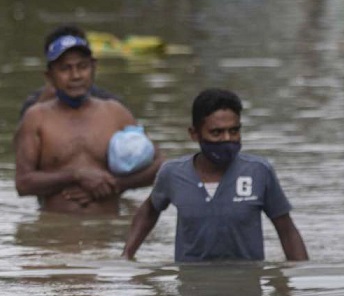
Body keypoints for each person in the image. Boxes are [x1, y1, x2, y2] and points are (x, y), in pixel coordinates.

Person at [122, 88, 309, 262]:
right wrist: (127, 255)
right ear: (194, 134)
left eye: (234, 131)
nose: (227, 139)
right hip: (192, 288)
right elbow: (149, 210)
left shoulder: (259, 172)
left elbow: (286, 229)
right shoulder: (173, 174)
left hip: (246, 287)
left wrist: (300, 281)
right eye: (217, 132)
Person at [14, 24, 163, 215]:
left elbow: (159, 163)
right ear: (49, 76)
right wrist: (76, 176)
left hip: (108, 233)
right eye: (65, 69)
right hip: (55, 235)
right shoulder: (36, 117)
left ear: (94, 68)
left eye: (82, 67)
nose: (75, 75)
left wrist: (116, 184)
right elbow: (23, 183)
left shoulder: (114, 111)